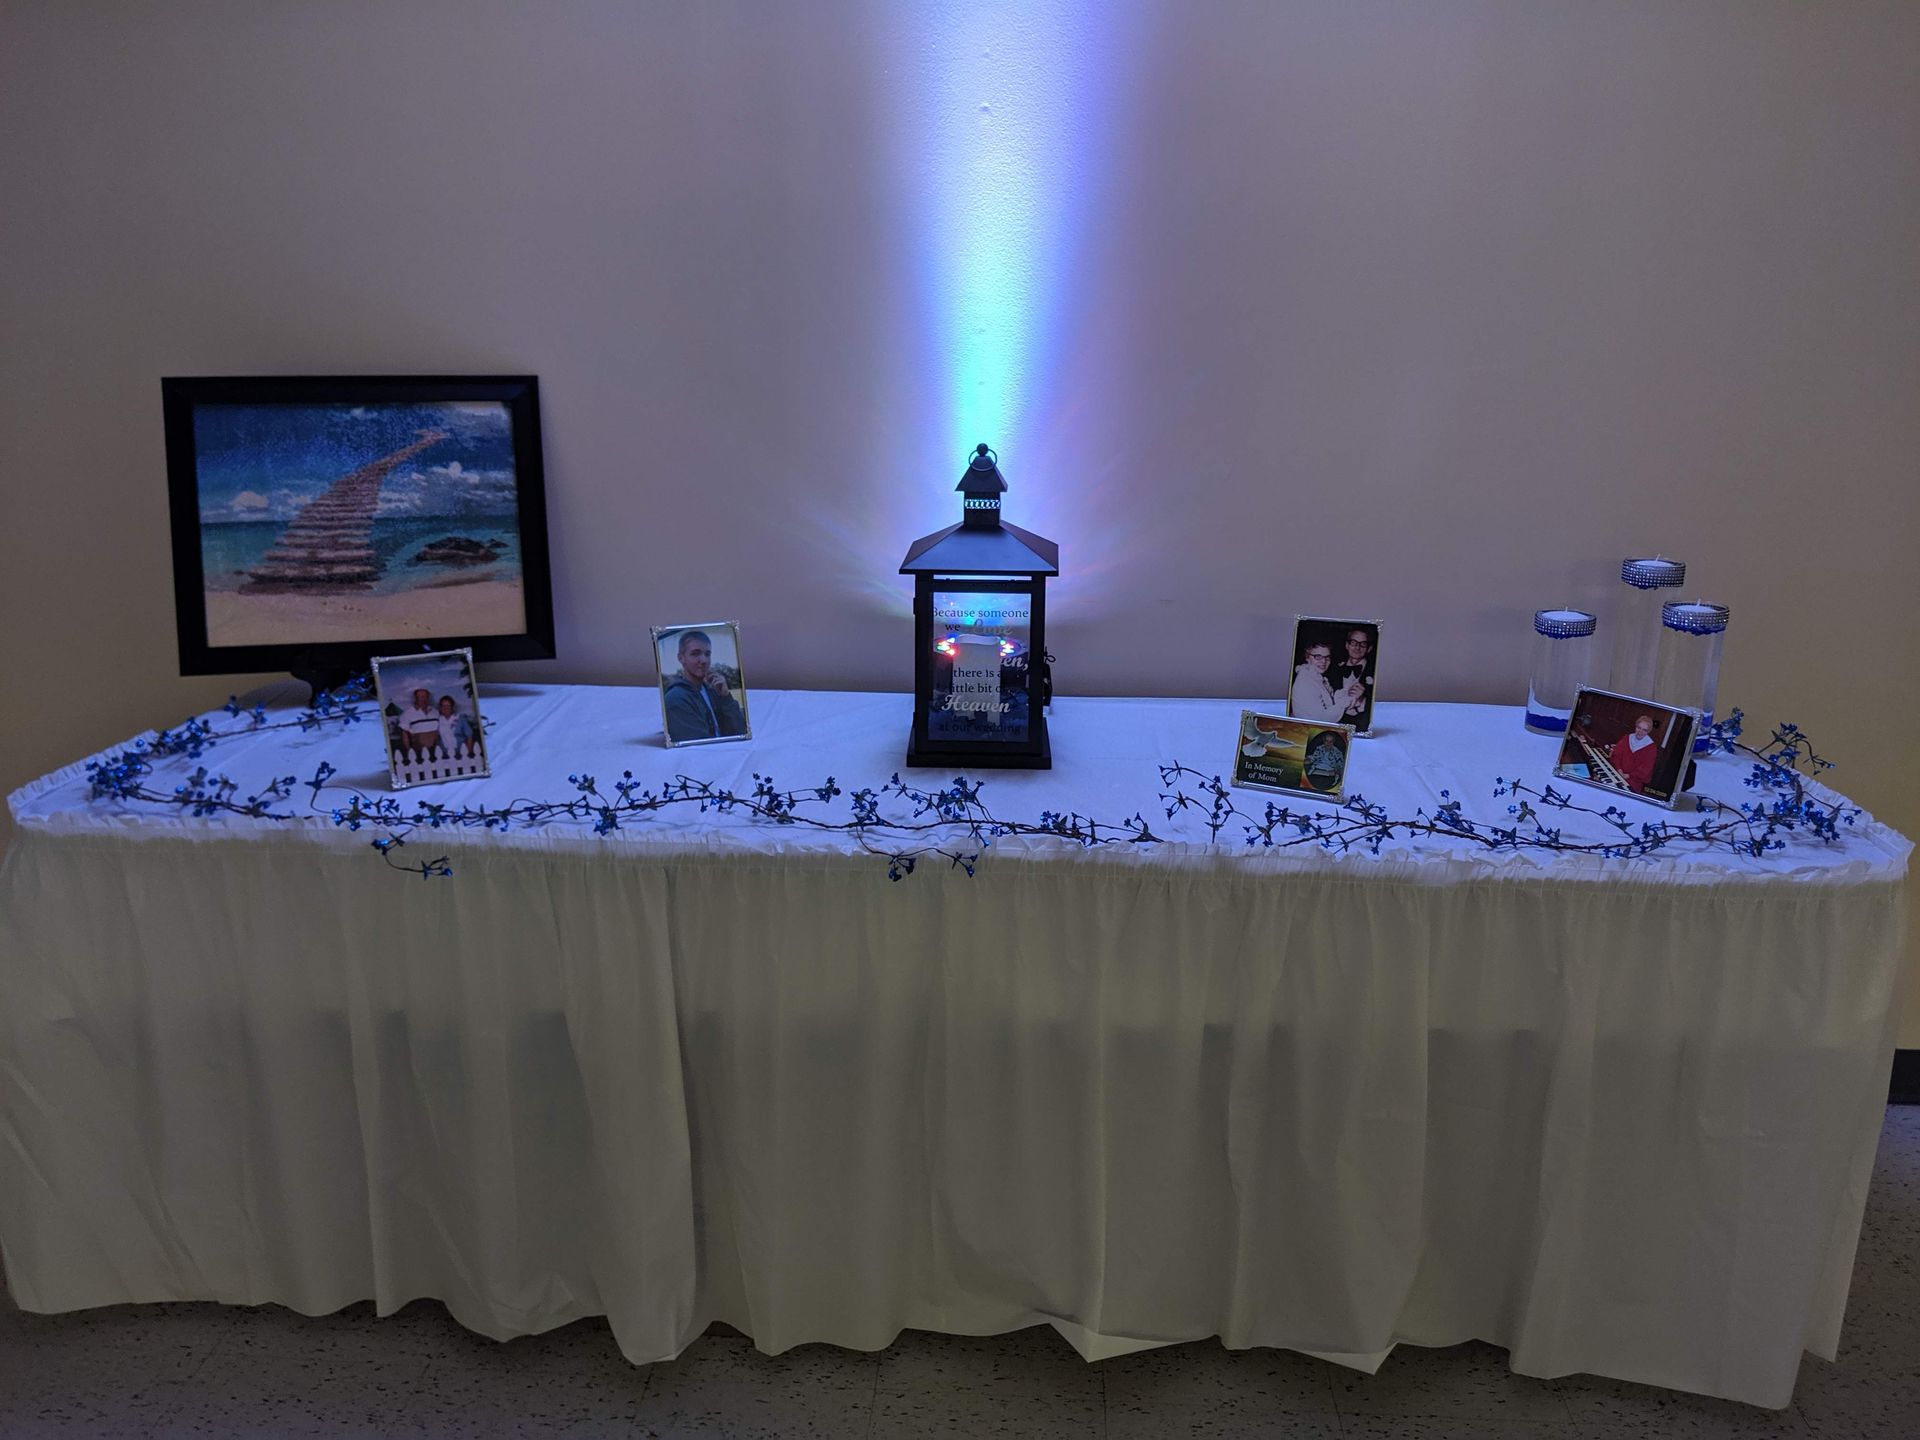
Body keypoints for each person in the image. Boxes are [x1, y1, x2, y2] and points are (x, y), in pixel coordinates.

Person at [663, 629, 747, 742]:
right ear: (681, 658)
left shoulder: (712, 691)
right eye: (695, 653)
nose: (703, 660)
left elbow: (740, 730)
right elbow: (698, 744)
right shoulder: (676, 699)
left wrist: (726, 697)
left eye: (707, 654)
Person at [1330, 627, 1375, 731]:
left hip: (1361, 726)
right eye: (1354, 642)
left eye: (1363, 644)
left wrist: (1362, 701)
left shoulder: (1374, 671)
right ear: (1347, 645)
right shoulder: (1333, 670)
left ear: (1369, 648)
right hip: (1335, 725)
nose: (1357, 647)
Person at [1290, 642, 1346, 723]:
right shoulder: (1305, 682)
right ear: (1307, 657)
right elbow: (1321, 720)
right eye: (1318, 657)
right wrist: (1345, 702)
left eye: (1327, 657)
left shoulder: (1316, 677)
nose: (1323, 661)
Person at [1607, 713, 1661, 794]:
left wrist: (1628, 775)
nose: (1640, 732)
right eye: (1639, 728)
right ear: (1636, 726)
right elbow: (1617, 755)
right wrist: (1619, 769)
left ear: (1648, 731)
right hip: (1617, 772)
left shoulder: (1651, 748)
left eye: (1644, 730)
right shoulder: (1627, 738)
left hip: (1633, 781)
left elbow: (1645, 770)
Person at [399, 686, 442, 759]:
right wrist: (409, 750)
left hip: (436, 750)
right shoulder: (407, 713)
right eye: (420, 697)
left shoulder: (435, 712)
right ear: (415, 698)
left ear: (428, 698)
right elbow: (404, 734)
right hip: (418, 751)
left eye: (425, 697)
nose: (423, 699)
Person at [1299, 729, 1347, 793]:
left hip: (1330, 770)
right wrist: (1307, 760)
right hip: (1317, 768)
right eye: (1326, 741)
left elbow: (1340, 764)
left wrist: (1336, 771)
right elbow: (1314, 758)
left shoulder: (1337, 752)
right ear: (1323, 741)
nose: (1328, 743)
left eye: (1330, 741)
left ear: (1333, 742)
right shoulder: (1319, 748)